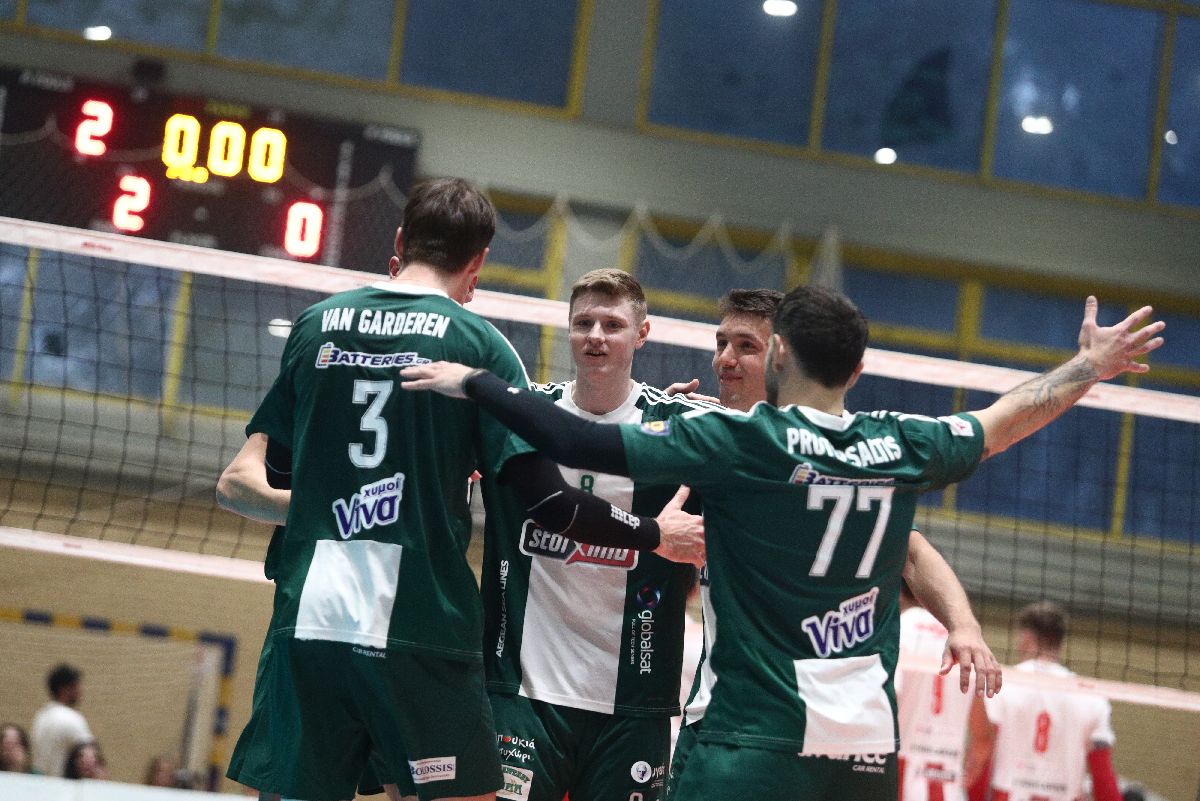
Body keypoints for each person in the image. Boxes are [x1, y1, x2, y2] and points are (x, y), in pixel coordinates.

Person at [399, 288, 1163, 801]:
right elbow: (1004, 421)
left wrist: (476, 382)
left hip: (751, 738)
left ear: (781, 354)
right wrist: (1091, 365)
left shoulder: (741, 440)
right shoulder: (902, 443)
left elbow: (575, 439)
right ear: (857, 369)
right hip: (863, 750)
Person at [216, 178, 703, 801]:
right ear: (478, 260)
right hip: (420, 617)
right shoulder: (478, 346)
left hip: (310, 611)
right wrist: (655, 525)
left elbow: (237, 484)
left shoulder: (315, 326)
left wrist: (330, 508)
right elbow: (547, 501)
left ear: (400, 240)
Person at [667, 289, 991, 800]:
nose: (725, 359)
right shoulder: (708, 436)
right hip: (716, 710)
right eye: (721, 343)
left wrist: (964, 624)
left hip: (804, 726)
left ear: (782, 355)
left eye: (746, 347)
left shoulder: (835, 451)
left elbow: (910, 551)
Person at [482, 268, 719, 801]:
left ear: (642, 334)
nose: (596, 336)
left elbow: (765, 443)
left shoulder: (680, 428)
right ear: (567, 329)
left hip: (635, 704)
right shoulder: (523, 415)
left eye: (613, 325)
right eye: (583, 323)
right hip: (523, 695)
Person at [965, 602, 1121, 801]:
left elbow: (983, 753)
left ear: (1027, 638)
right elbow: (1102, 777)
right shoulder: (1092, 698)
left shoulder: (1001, 685)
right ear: (1060, 643)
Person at [896, 579, 980, 801]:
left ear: (899, 592)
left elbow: (886, 702)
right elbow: (984, 735)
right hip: (949, 782)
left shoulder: (898, 629)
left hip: (900, 777)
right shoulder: (966, 640)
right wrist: (968, 774)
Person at [30, 663, 92, 777]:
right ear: (64, 689)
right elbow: (89, 758)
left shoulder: (40, 718)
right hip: (64, 785)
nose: (80, 691)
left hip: (40, 784)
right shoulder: (73, 719)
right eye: (76, 686)